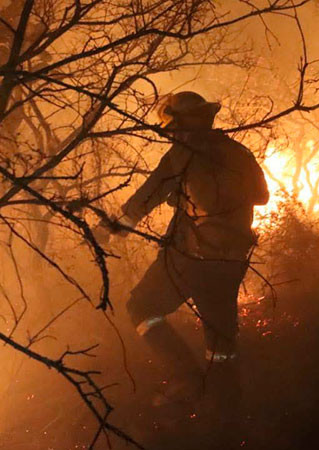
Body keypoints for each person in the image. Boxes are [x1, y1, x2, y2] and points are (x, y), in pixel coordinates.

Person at [100, 91, 269, 429]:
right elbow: (262, 197)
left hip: (191, 257)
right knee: (220, 342)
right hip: (232, 260)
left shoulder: (180, 156)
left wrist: (106, 231)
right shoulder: (238, 152)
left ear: (177, 125)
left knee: (142, 307)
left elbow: (142, 200)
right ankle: (227, 418)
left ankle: (187, 378)